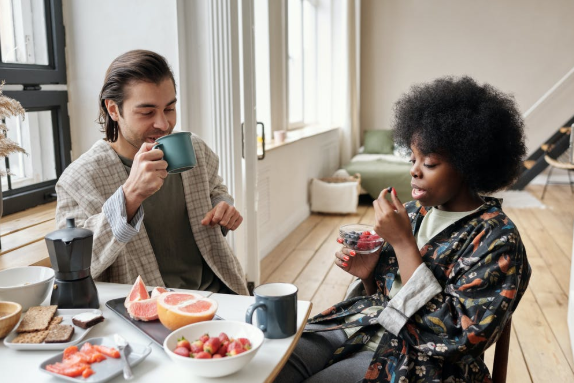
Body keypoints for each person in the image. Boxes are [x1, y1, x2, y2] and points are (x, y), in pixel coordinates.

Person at [276, 76, 531, 382]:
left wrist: (403, 245)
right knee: (271, 364)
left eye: (430, 163)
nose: (414, 170)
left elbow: (459, 338)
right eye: (413, 158)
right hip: (365, 326)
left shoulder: (497, 239)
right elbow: (386, 297)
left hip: (418, 362)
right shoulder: (412, 212)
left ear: (469, 163)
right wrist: (369, 276)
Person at [55, 50, 248, 295]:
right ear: (113, 110)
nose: (163, 124)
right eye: (147, 112)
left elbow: (215, 189)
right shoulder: (79, 179)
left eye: (169, 108)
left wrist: (223, 206)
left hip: (220, 293)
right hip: (144, 311)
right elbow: (70, 265)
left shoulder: (194, 148)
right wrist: (130, 196)